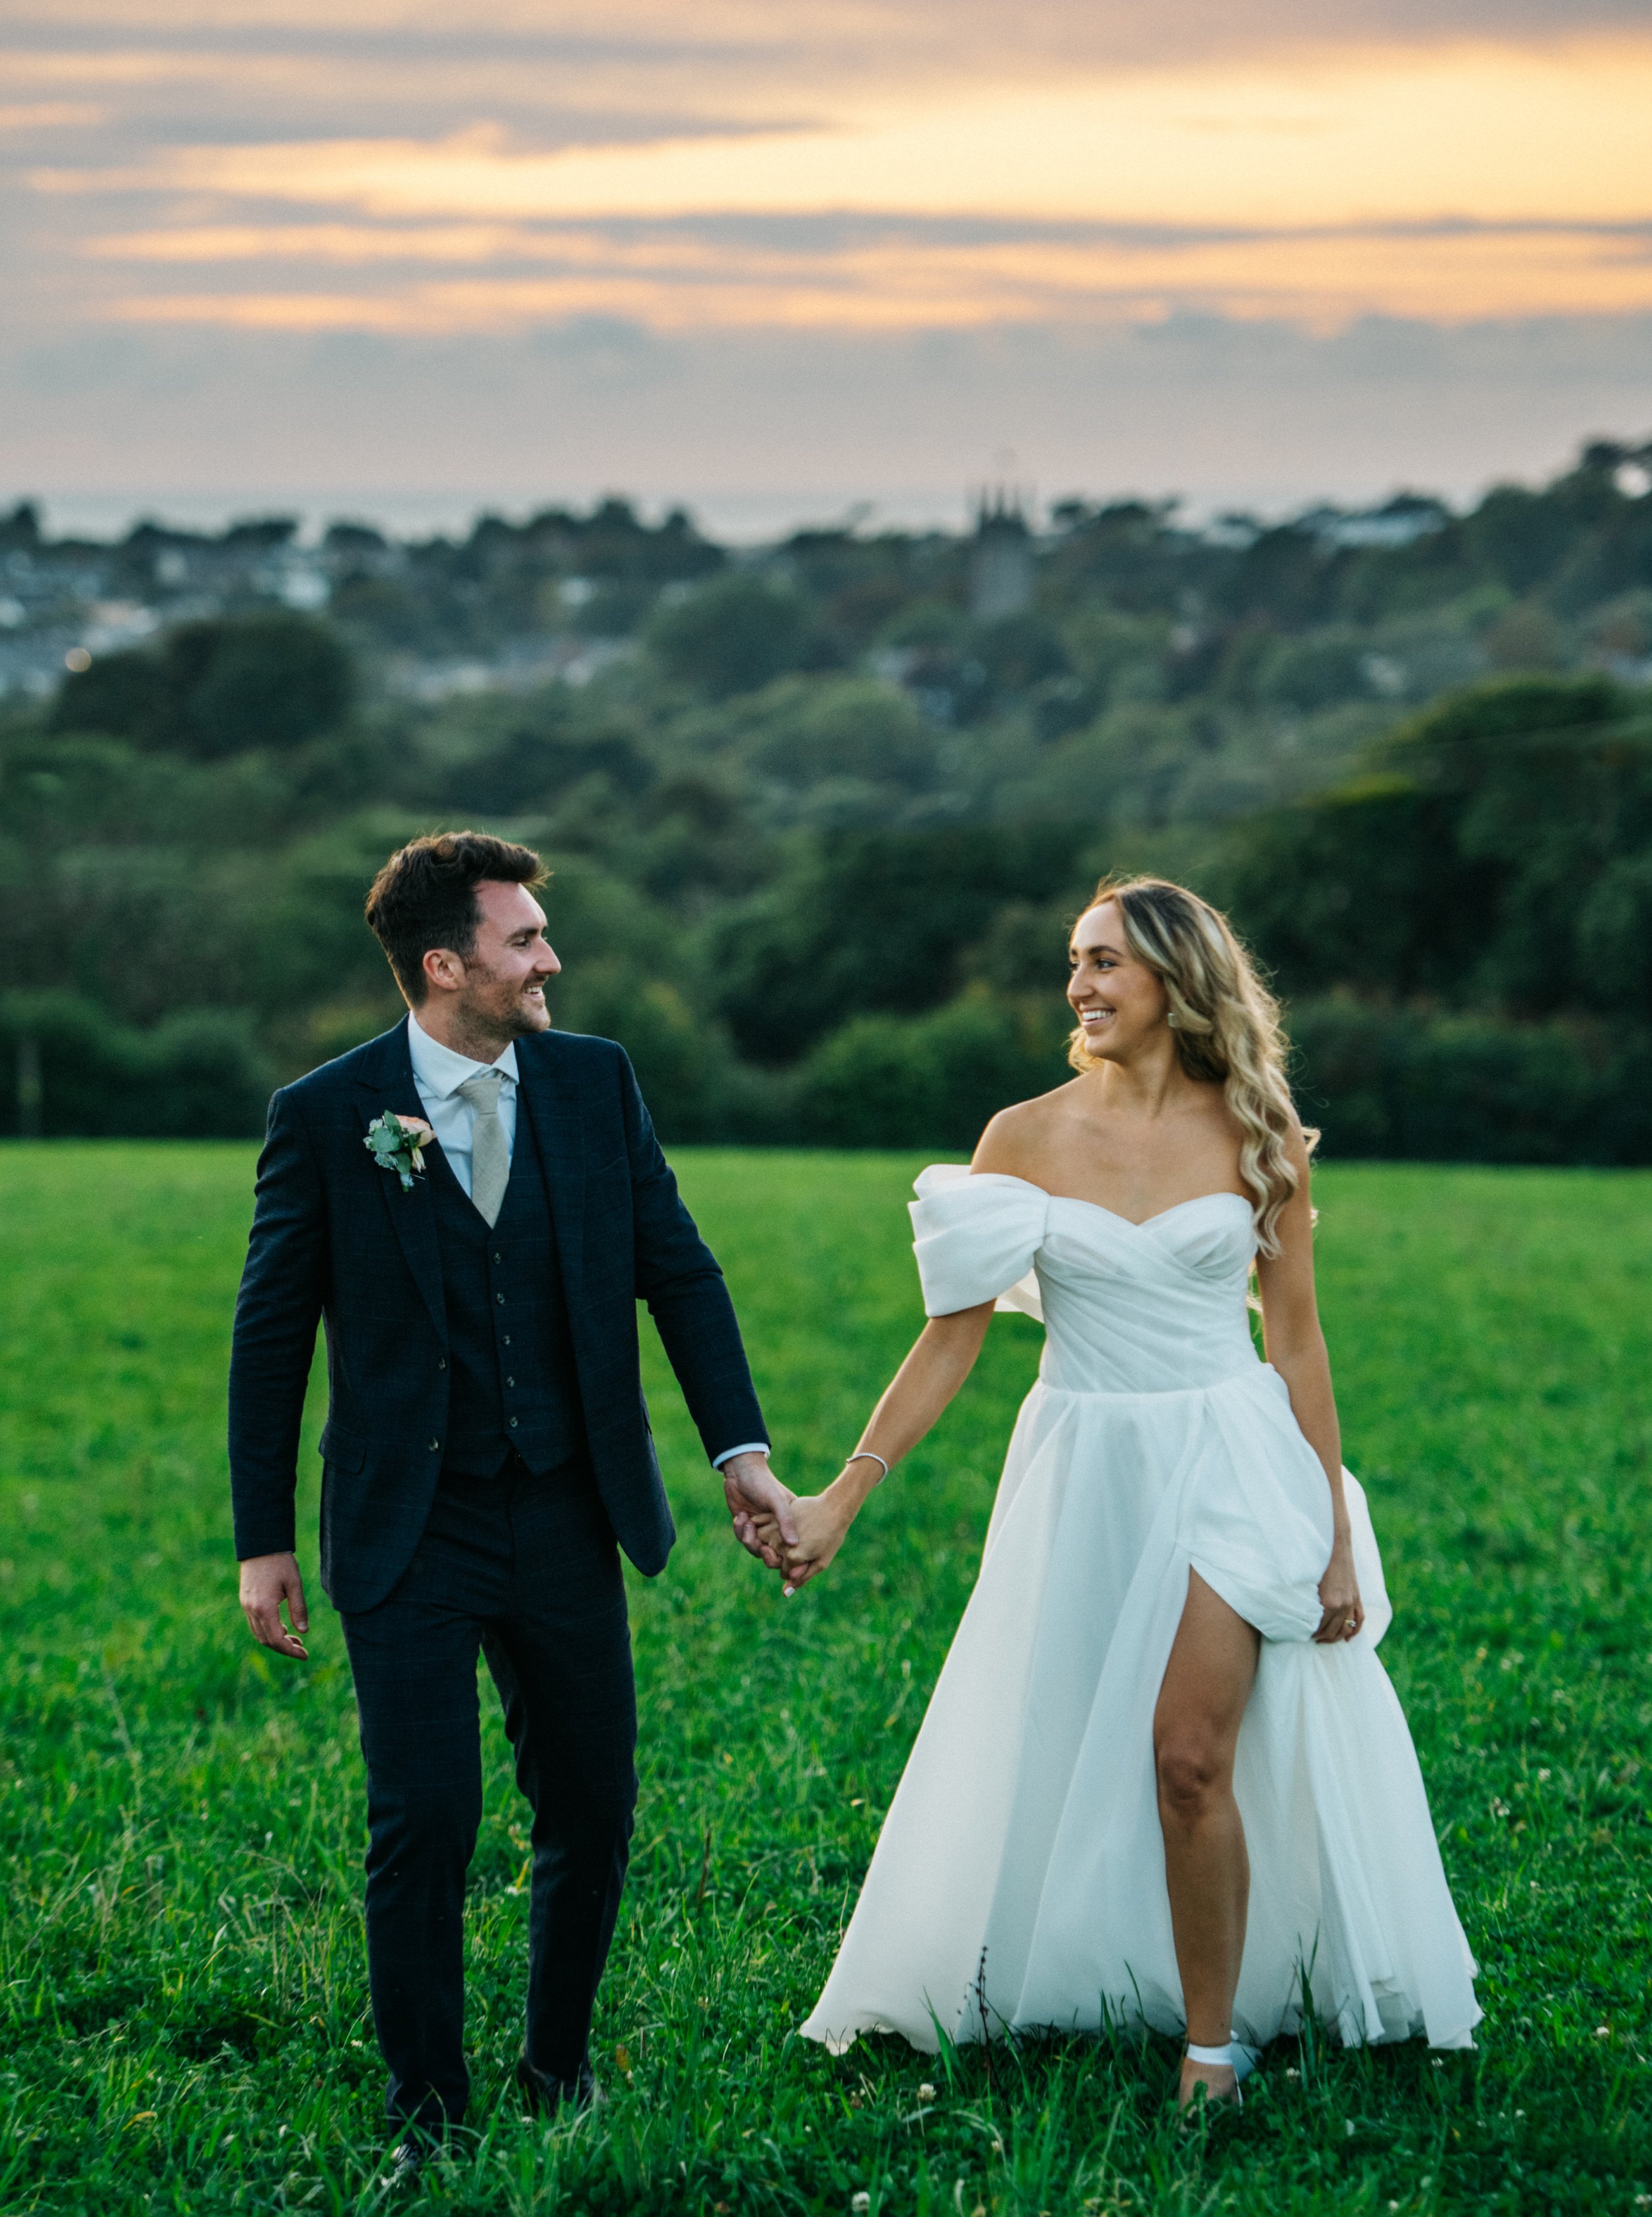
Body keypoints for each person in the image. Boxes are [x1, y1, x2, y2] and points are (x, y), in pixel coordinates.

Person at [773, 876, 1479, 2105]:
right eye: (1075, 961)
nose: (1080, 987)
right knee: (1081, 1739)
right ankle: (1105, 1966)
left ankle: (1215, 2046)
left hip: (1230, 1456)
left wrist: (1332, 1532)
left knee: (1188, 1756)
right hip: (1084, 1467)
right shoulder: (1023, 1138)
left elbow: (1298, 1339)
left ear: (1175, 978)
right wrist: (842, 1495)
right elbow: (951, 1339)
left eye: (1105, 962)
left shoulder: (1255, 1129)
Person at [229, 829, 797, 2173]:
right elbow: (270, 1339)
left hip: (563, 1509)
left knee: (590, 1804)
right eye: (524, 939)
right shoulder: (327, 1114)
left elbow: (680, 1270)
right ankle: (425, 2107)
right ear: (445, 964)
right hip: (407, 1522)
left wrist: (741, 1455)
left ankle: (557, 2068)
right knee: (423, 1818)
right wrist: (261, 1543)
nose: (552, 958)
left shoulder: (596, 1084)